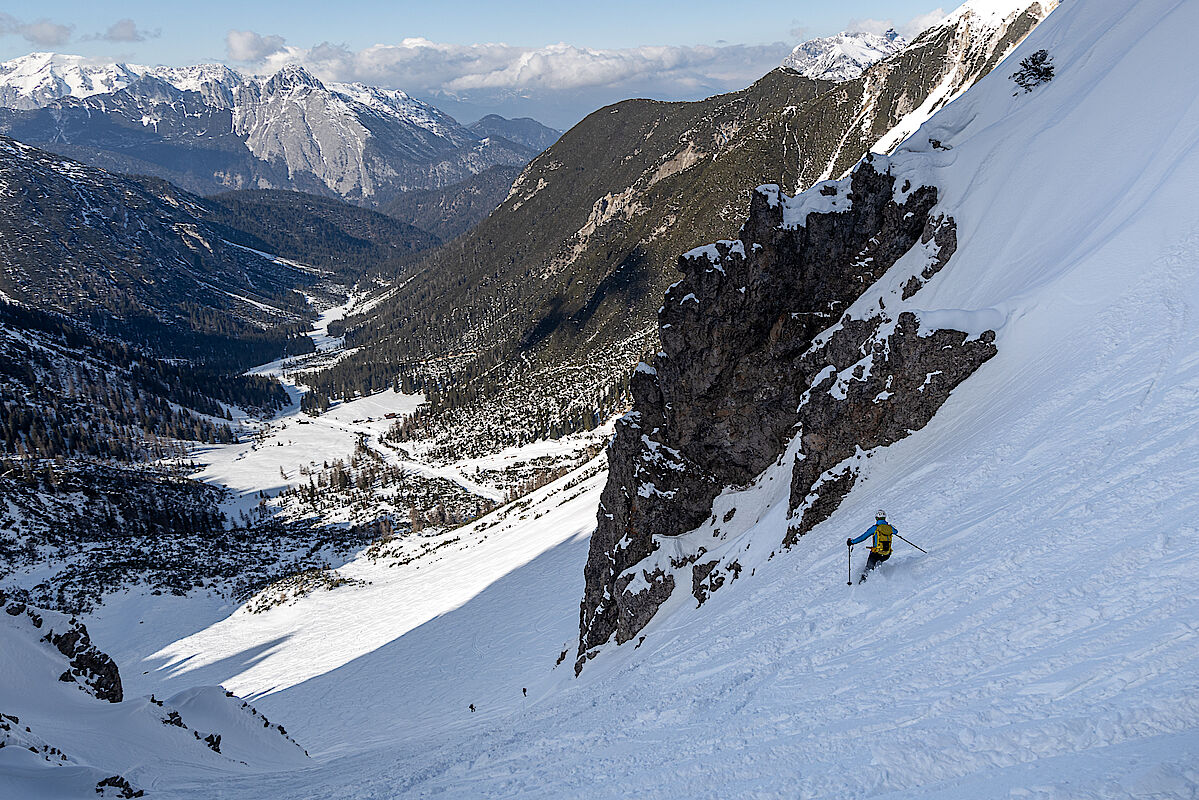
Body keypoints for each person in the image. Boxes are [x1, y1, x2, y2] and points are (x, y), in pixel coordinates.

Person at [847, 510, 895, 583]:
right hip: (886, 554)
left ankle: (862, 584)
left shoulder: (875, 528)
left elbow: (863, 537)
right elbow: (896, 531)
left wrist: (852, 542)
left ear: (876, 518)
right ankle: (878, 580)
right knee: (877, 566)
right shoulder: (890, 528)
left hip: (876, 553)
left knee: (868, 568)